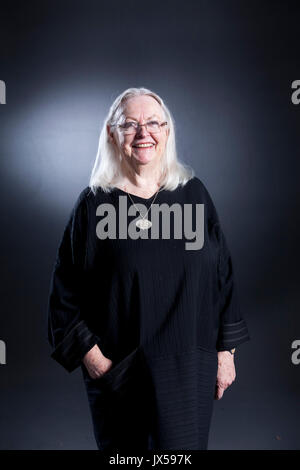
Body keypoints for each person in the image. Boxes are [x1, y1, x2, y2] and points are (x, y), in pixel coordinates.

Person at [47, 86, 250, 451]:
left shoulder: (193, 194)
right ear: (112, 134)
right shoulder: (94, 205)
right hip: (123, 376)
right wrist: (96, 363)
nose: (144, 133)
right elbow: (64, 295)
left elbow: (224, 277)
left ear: (167, 132)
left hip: (190, 372)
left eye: (154, 123)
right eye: (131, 125)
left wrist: (226, 354)